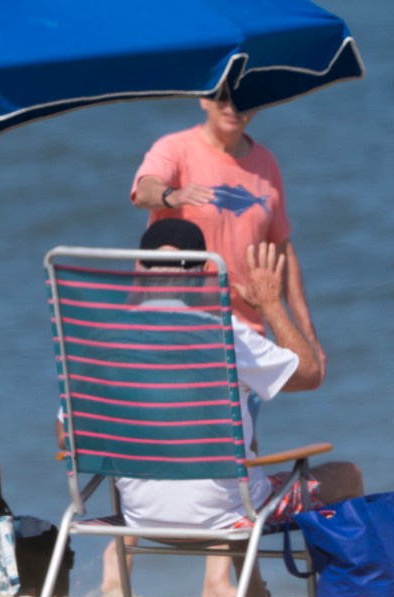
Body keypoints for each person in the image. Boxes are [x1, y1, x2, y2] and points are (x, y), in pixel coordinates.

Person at [56, 219, 362, 597]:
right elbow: (310, 373)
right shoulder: (225, 333)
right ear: (201, 274)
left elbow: (67, 436)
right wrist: (269, 303)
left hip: (140, 518)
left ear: (138, 269)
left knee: (238, 468)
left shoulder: (102, 341)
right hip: (226, 517)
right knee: (345, 476)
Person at [129, 84, 325, 383]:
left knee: (241, 425)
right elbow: (143, 191)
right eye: (222, 97)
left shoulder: (266, 164)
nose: (233, 107)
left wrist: (308, 333)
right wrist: (172, 195)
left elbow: (282, 250)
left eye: (245, 98)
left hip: (243, 334)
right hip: (177, 320)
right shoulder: (175, 149)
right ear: (202, 98)